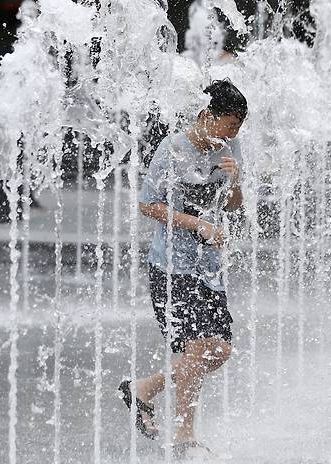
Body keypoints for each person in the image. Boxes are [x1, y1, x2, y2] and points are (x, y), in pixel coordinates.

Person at [118, 79, 247, 459]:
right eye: (229, 126)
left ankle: (144, 388)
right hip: (171, 267)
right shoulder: (173, 149)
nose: (231, 136)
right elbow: (147, 205)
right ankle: (184, 434)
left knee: (219, 350)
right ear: (208, 116)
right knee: (195, 348)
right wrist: (198, 225)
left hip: (208, 269)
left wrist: (236, 180)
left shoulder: (230, 148)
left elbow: (232, 206)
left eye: (238, 130)